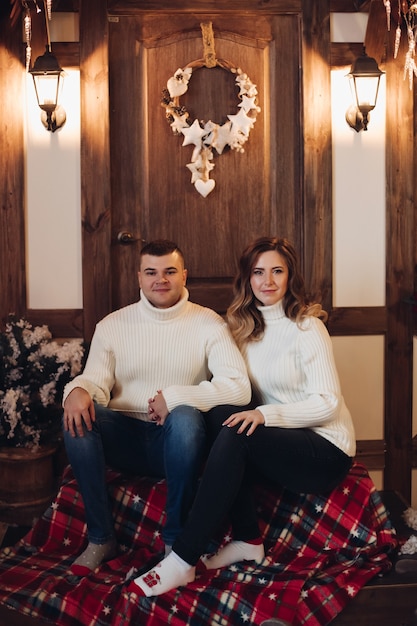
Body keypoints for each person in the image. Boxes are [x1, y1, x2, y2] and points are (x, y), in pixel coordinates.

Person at [129, 235, 356, 597]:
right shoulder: (244, 330)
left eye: (277, 271)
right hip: (284, 442)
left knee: (235, 431)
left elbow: (327, 403)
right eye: (258, 272)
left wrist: (264, 415)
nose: (268, 281)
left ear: (290, 276)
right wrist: (171, 399)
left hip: (325, 451)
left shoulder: (308, 327)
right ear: (247, 279)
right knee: (218, 416)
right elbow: (228, 392)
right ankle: (249, 539)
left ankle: (182, 558)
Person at [62, 239, 251, 576]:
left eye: (169, 272)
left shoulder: (210, 324)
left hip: (179, 440)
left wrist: (176, 397)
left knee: (185, 416)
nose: (160, 280)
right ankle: (101, 538)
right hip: (127, 438)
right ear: (139, 277)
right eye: (151, 272)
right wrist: (77, 389)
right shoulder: (112, 325)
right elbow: (96, 383)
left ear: (184, 276)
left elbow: (238, 387)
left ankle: (176, 541)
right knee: (76, 415)